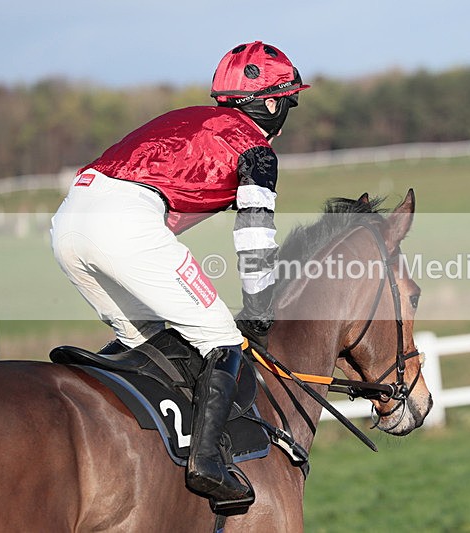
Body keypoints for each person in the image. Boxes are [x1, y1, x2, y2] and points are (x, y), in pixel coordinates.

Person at [50, 41, 309, 505]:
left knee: (147, 339)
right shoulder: (256, 150)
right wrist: (259, 306)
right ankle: (207, 462)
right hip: (125, 223)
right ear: (272, 102)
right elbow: (254, 233)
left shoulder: (189, 117)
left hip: (68, 219)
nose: (286, 111)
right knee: (223, 340)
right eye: (288, 101)